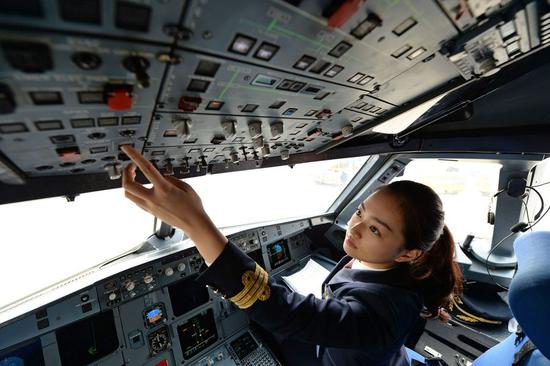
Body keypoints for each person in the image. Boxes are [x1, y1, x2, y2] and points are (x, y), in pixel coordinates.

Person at [120, 145, 463, 366]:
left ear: (409, 254)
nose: (355, 229)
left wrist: (195, 222)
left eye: (376, 229)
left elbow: (286, 312)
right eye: (360, 212)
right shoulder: (386, 263)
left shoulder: (383, 313)